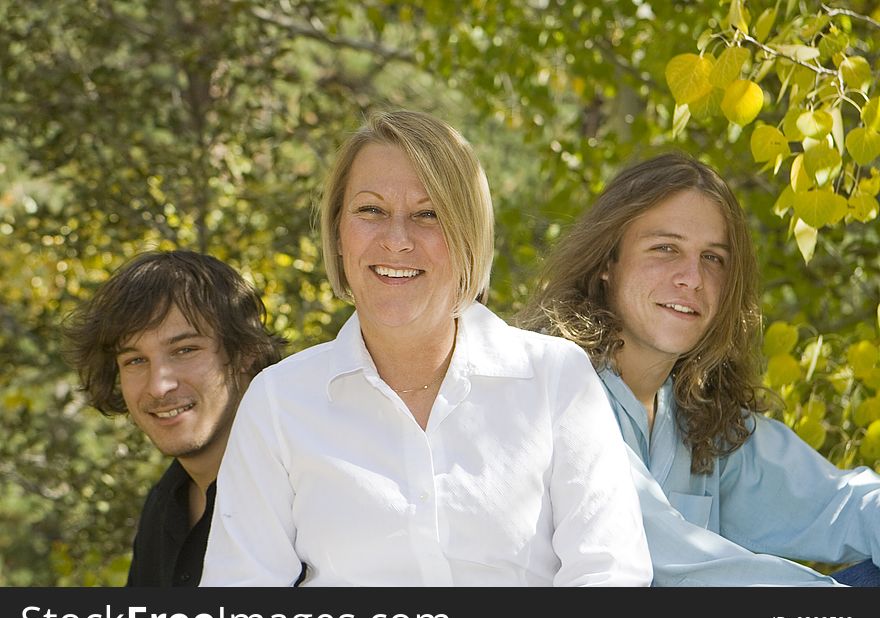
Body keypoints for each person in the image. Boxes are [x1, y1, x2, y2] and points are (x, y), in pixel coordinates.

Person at [200, 109, 651, 586]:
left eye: (428, 214)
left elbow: (609, 573)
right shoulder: (279, 403)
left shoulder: (555, 380)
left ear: (468, 238)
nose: (396, 240)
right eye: (370, 211)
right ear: (337, 232)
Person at [518, 151, 880, 586]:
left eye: (713, 258)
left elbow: (838, 503)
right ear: (606, 263)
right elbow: (676, 566)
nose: (692, 277)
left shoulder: (697, 416)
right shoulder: (559, 391)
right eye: (665, 248)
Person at [62, 250, 286, 586]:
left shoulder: (303, 489)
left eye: (185, 350)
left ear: (245, 354)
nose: (159, 385)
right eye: (135, 360)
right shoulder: (164, 504)